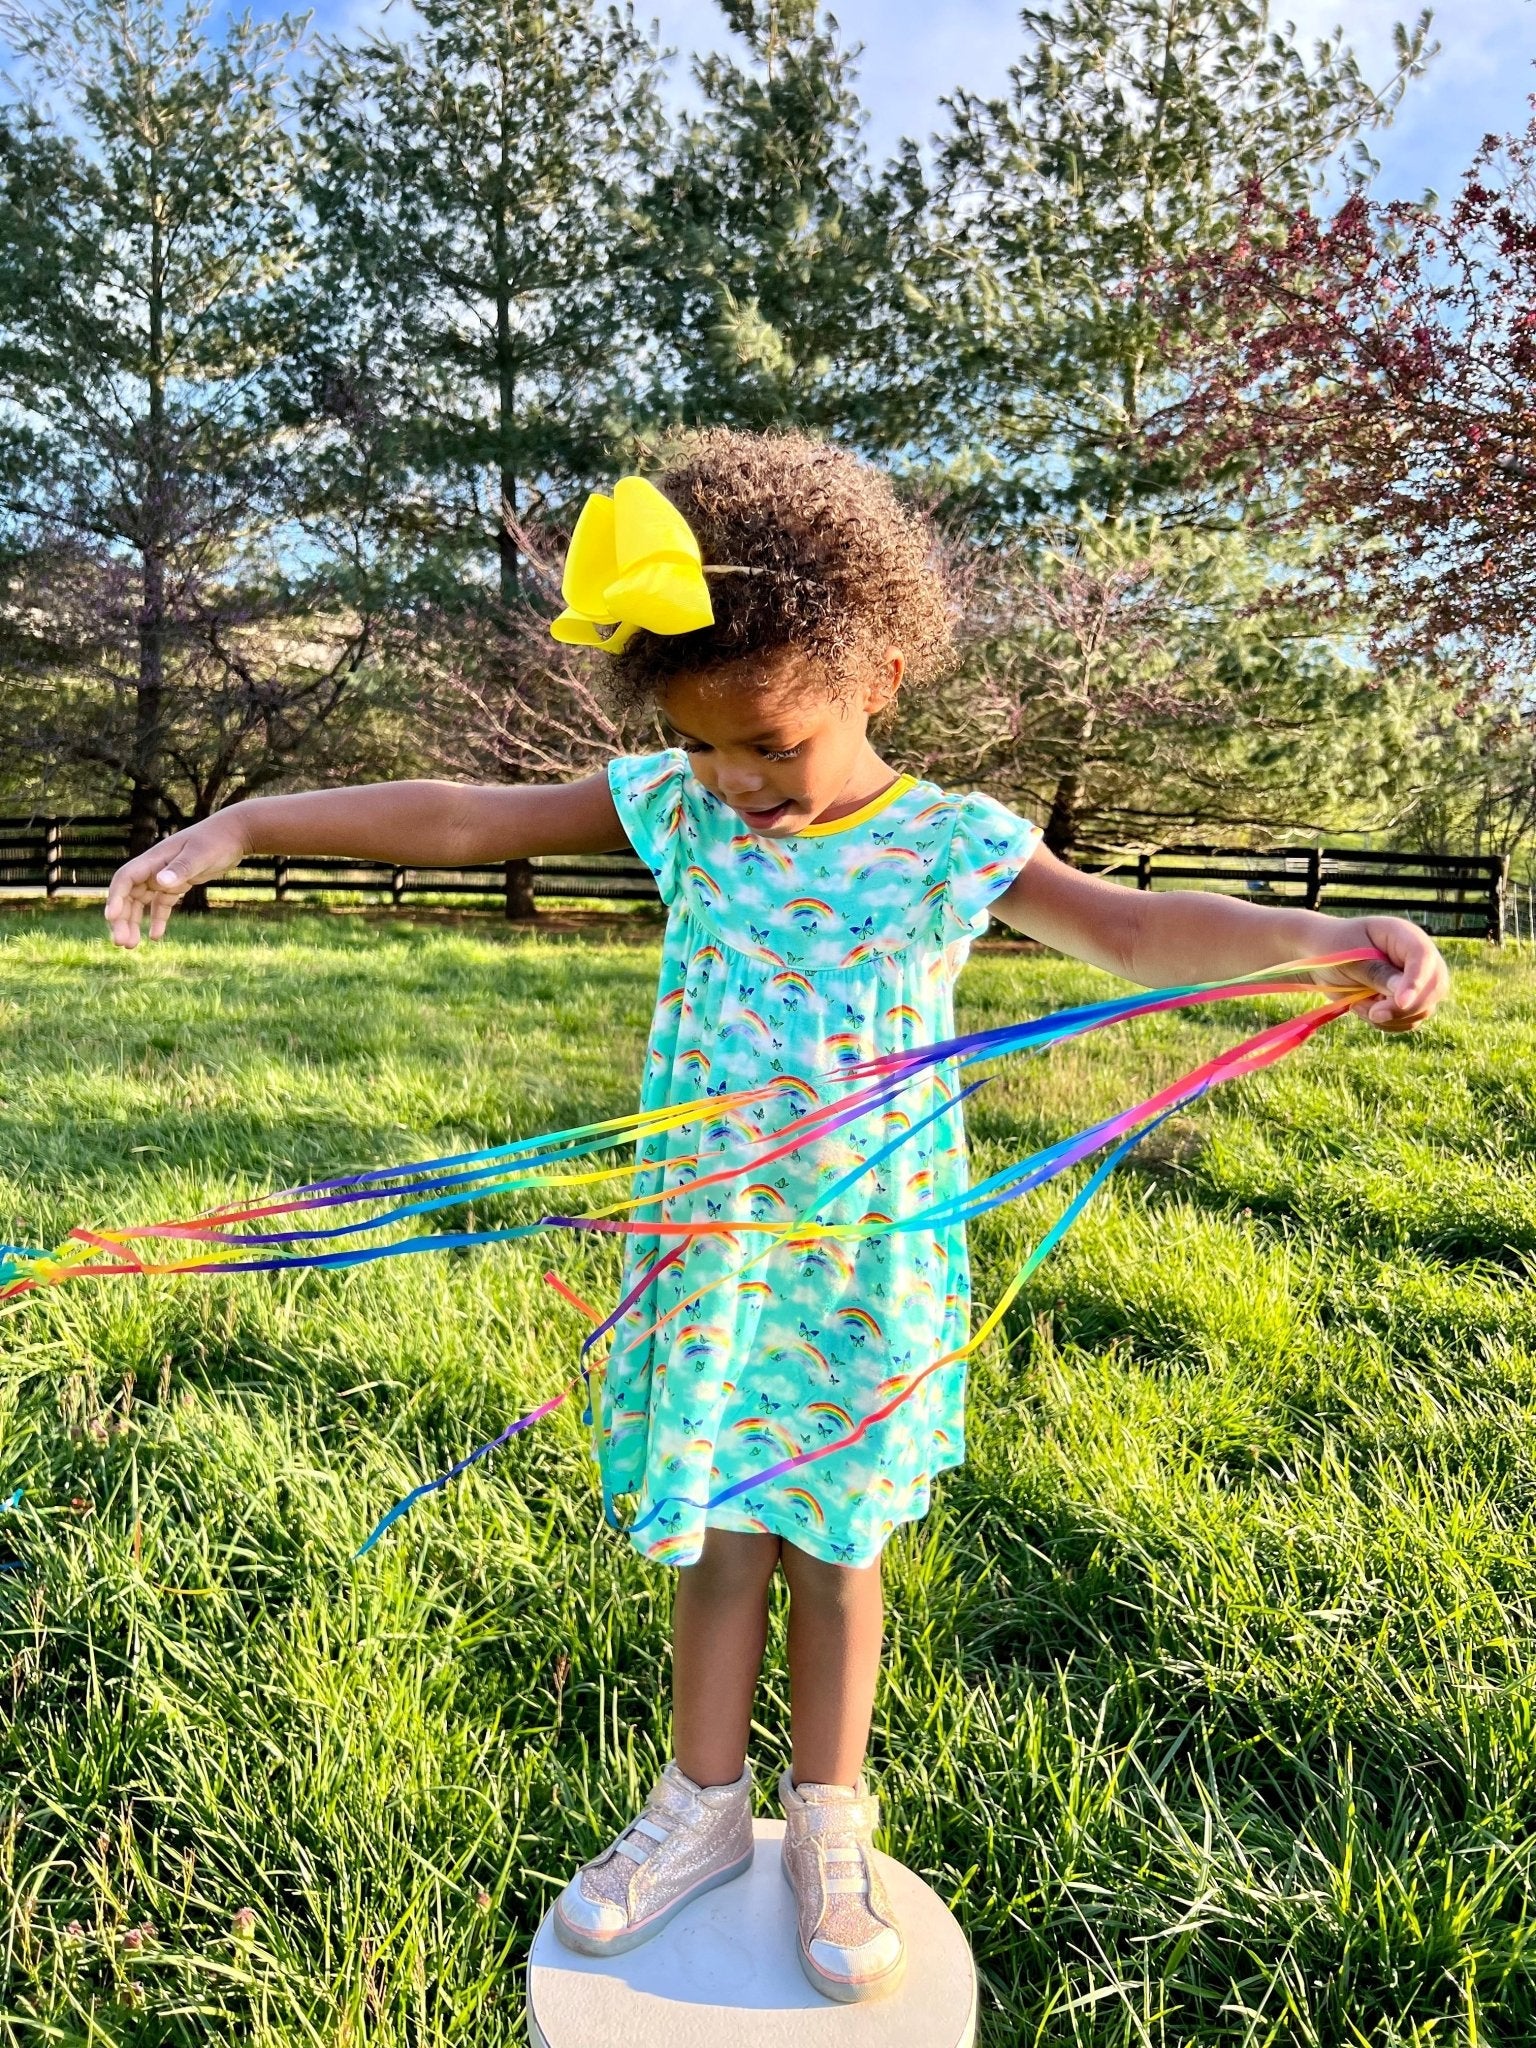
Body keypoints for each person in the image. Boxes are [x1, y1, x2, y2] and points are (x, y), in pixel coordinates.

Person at [103, 429, 1449, 2006]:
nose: (738, 785)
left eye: (771, 746)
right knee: (723, 1534)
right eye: (704, 748)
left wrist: (1329, 939)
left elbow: (1136, 925)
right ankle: (696, 1808)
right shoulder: (681, 813)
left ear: (880, 668)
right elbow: (469, 815)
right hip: (709, 1244)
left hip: (868, 1263)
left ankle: (828, 1819)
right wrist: (247, 824)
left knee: (837, 1542)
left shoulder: (955, 843)